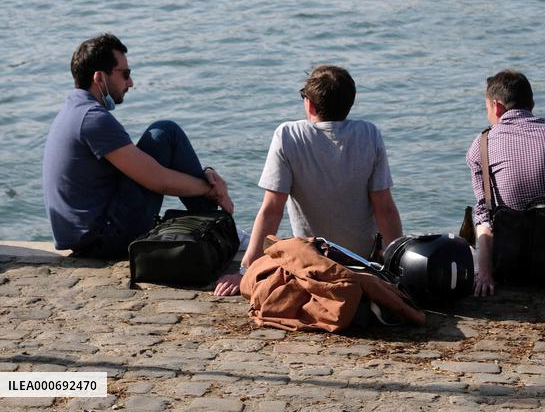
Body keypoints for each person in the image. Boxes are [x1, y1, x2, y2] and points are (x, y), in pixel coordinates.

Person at [214, 64, 402, 296]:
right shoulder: (369, 134)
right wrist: (398, 269)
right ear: (349, 104)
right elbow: (384, 209)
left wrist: (245, 271)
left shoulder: (288, 135)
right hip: (360, 261)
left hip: (312, 261)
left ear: (310, 103)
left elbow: (272, 210)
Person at [43, 33, 234, 258]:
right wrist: (210, 189)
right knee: (165, 133)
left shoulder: (73, 109)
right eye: (125, 74)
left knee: (162, 137)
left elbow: (139, 168)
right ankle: (221, 228)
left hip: (87, 236)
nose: (130, 83)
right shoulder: (92, 118)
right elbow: (157, 180)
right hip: (101, 239)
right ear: (99, 78)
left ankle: (214, 222)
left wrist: (206, 174)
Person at [466, 69, 545, 297]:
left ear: (497, 106)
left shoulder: (482, 144)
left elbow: (484, 216)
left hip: (511, 268)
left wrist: (485, 275)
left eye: (487, 109)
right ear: (531, 103)